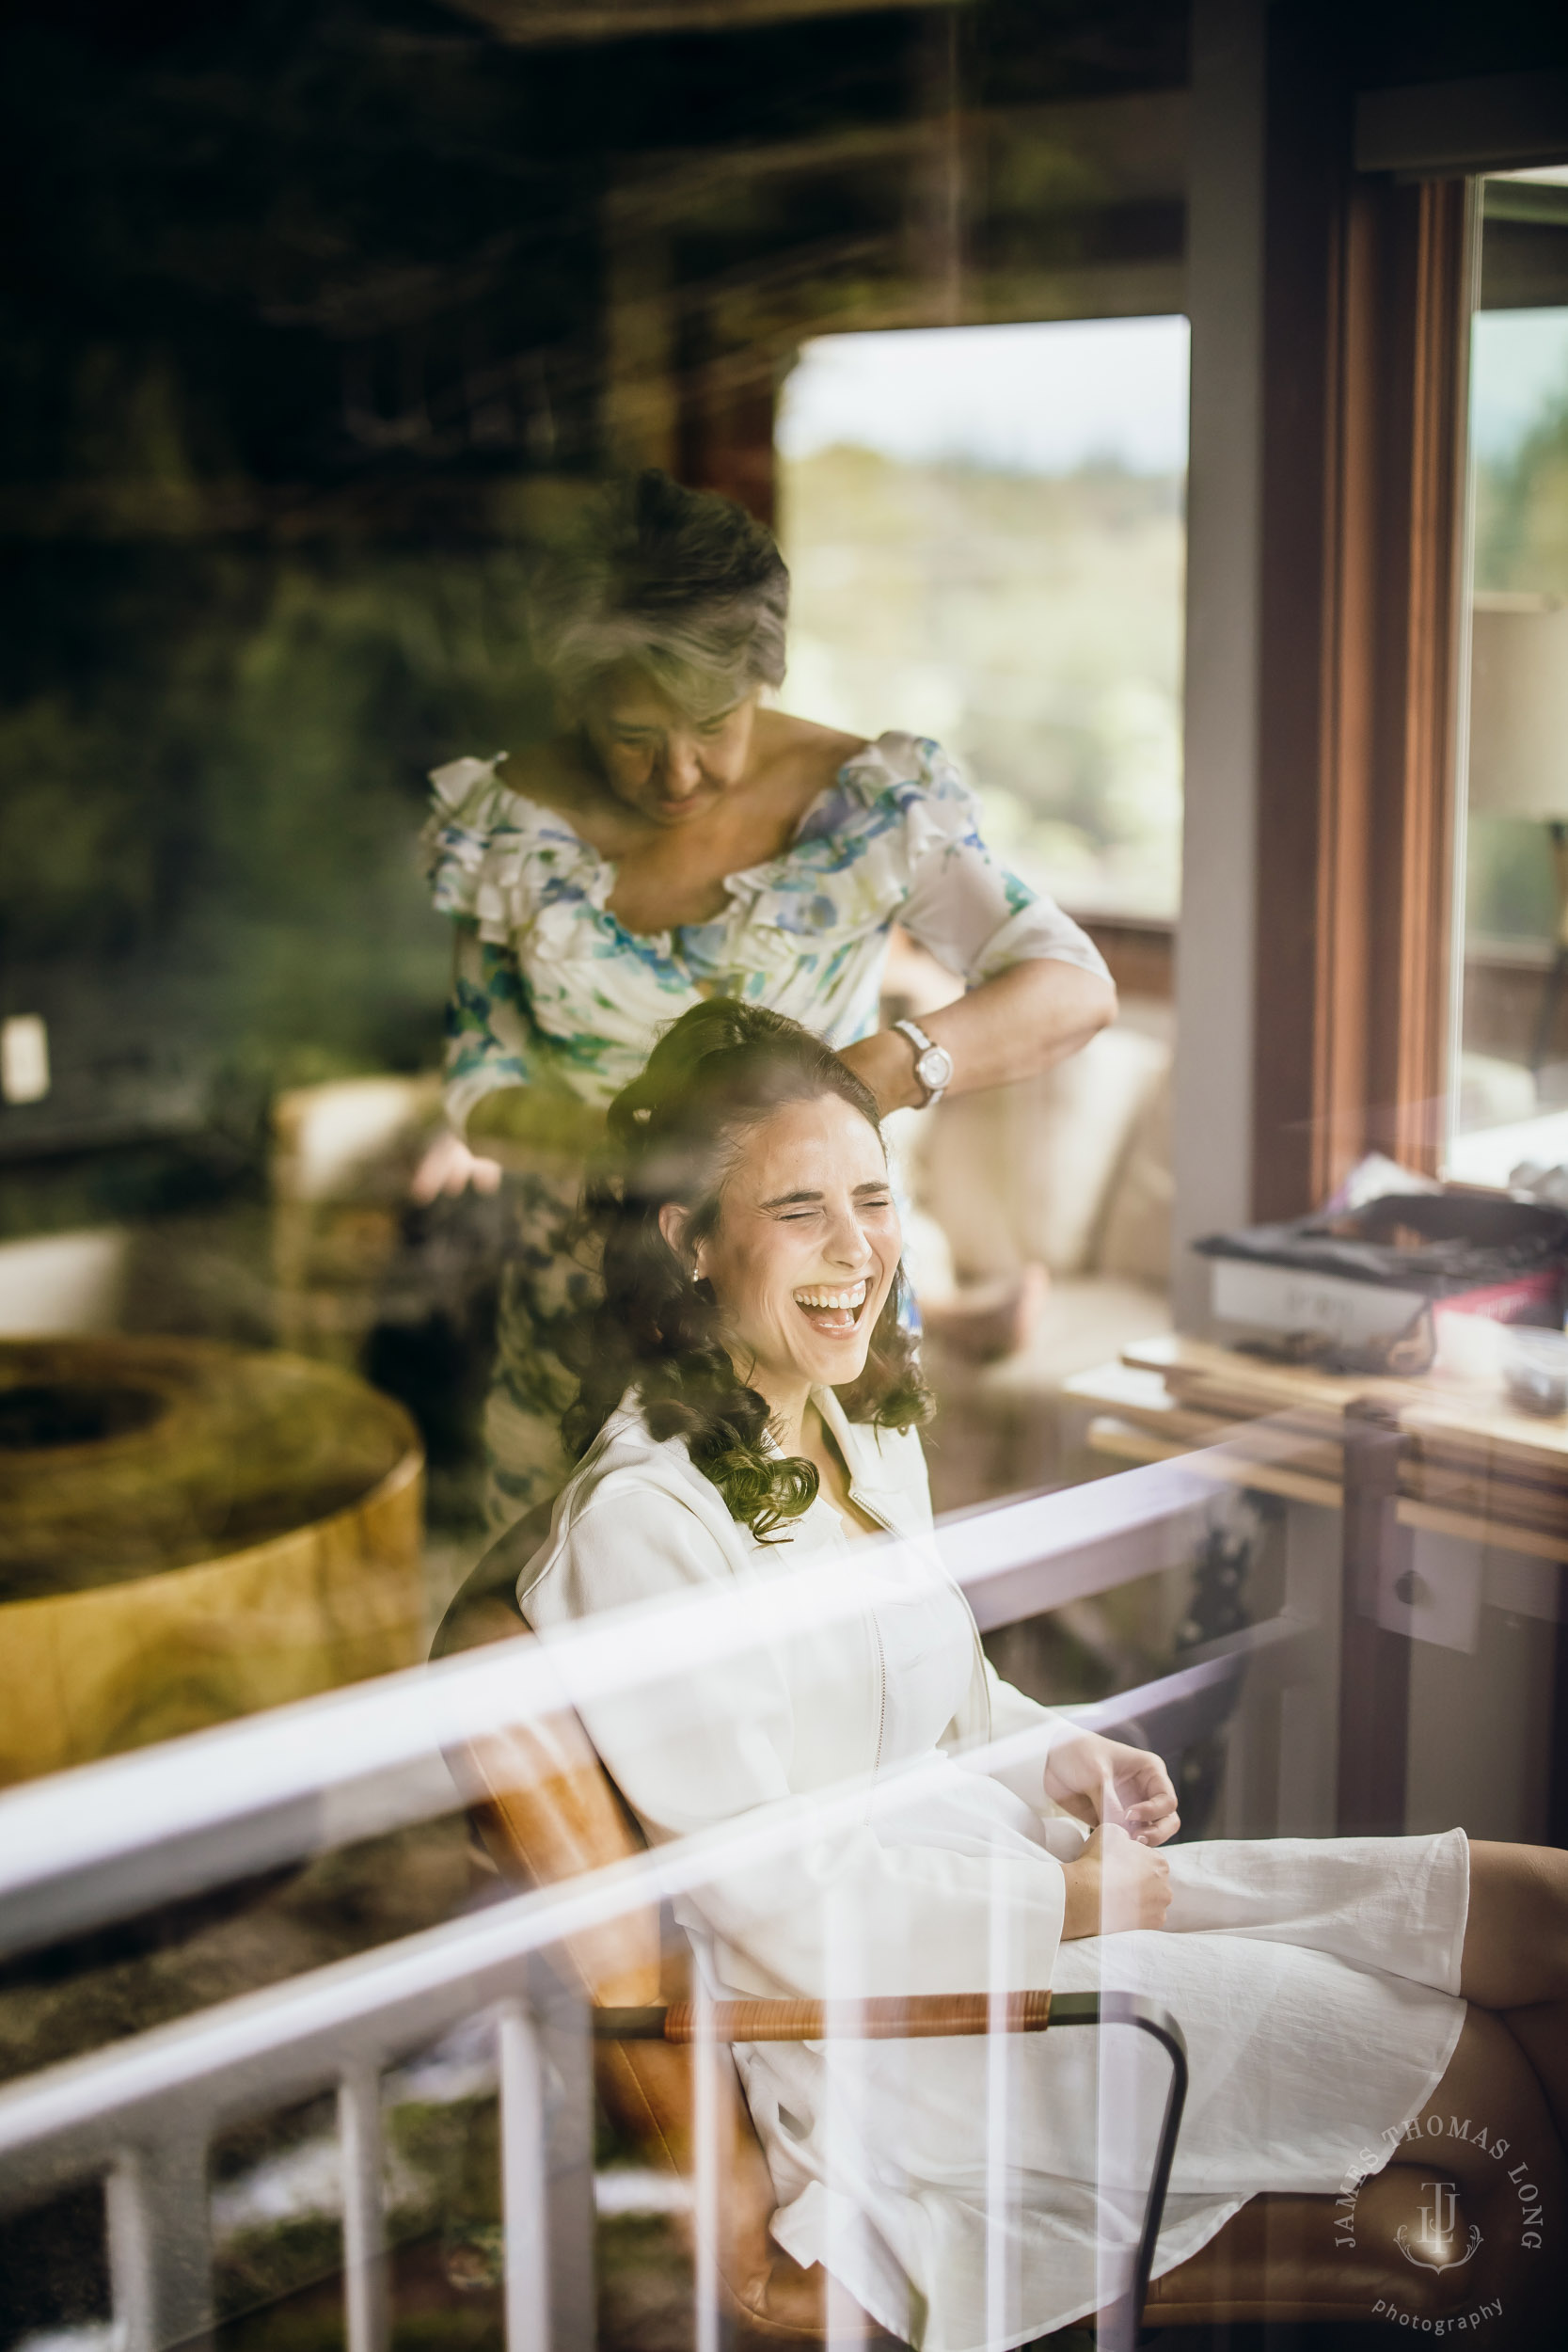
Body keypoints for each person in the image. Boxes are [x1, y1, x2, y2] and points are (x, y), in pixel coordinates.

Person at [515, 999, 1568, 2349]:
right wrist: (1075, 1898)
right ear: (688, 1241)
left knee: (1541, 1917)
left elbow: (941, 1706)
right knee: (1496, 2090)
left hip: (1023, 1897)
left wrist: (1052, 1748)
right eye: (797, 1209)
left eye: (873, 1198)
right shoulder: (639, 1529)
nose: (857, 1252)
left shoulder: (848, 1429)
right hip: (908, 2034)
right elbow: (781, 1909)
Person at [424, 469, 1115, 1526]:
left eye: (710, 720)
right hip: (582, 1324)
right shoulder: (507, 825)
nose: (678, 775)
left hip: (818, 1319)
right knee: (575, 1652)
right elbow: (481, 1088)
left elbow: (1068, 986)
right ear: (572, 698)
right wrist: (627, 1146)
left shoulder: (872, 808)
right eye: (630, 734)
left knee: (833, 1634)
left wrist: (874, 1075)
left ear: (765, 674)